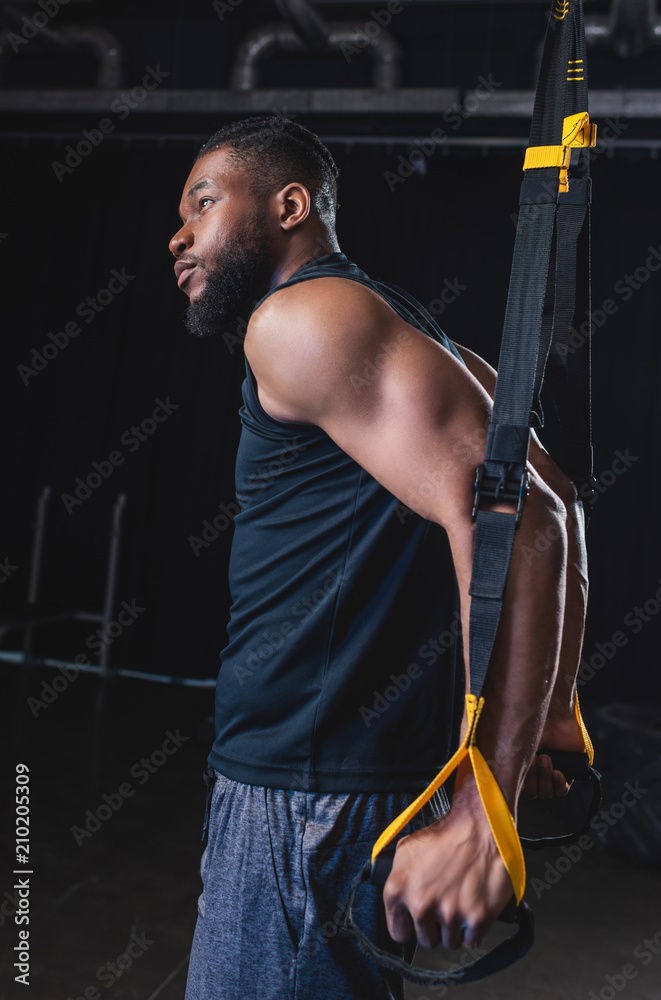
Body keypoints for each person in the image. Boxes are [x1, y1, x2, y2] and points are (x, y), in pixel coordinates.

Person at [169, 114, 588, 1000]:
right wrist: (545, 715)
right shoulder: (398, 324)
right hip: (341, 780)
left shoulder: (299, 319)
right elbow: (554, 500)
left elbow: (525, 519)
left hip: (298, 791)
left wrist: (484, 804)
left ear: (289, 205)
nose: (179, 235)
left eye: (201, 204)